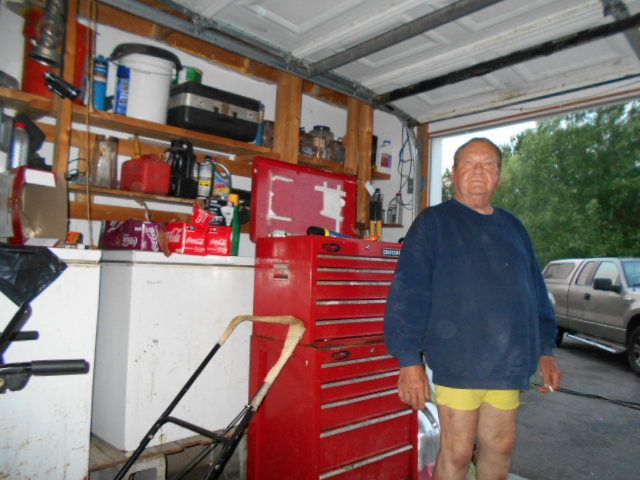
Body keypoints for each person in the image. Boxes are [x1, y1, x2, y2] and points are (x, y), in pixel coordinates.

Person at [384, 137, 561, 480]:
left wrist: (546, 349)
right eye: (469, 163)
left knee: (500, 446)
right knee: (458, 451)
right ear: (453, 174)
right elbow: (408, 294)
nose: (478, 171)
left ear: (499, 176)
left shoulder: (514, 228)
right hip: (458, 362)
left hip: (508, 364)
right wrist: (409, 360)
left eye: (488, 164)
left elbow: (536, 294)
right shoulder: (433, 224)